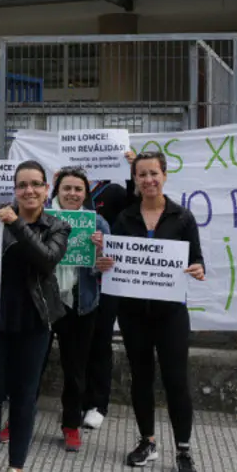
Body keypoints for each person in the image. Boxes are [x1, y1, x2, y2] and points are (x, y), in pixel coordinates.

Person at [107, 150, 205, 472]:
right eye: (142, 175)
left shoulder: (182, 217)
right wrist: (104, 263)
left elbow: (197, 259)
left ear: (165, 175)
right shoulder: (125, 218)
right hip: (134, 314)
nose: (148, 180)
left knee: (176, 381)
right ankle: (147, 441)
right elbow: (112, 260)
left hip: (171, 315)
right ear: (134, 180)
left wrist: (197, 269)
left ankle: (183, 450)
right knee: (141, 377)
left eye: (154, 173)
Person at [0, 160, 68, 472]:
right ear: (14, 189)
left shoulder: (57, 226)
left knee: (24, 398)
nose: (29, 191)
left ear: (45, 189)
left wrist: (17, 225)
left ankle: (15, 466)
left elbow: (46, 259)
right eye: (22, 185)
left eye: (35, 184)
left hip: (35, 322)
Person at [48, 167, 114, 452]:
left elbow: (109, 266)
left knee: (76, 369)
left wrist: (100, 256)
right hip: (46, 301)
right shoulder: (42, 218)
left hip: (81, 304)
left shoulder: (97, 222)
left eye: (78, 189)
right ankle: (16, 420)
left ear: (85, 193)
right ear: (57, 192)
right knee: (33, 367)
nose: (72, 194)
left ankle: (71, 424)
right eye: (67, 189)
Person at [81, 180, 131, 430]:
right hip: (75, 280)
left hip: (106, 280)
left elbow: (135, 214)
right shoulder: (66, 183)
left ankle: (97, 403)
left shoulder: (114, 191)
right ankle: (77, 400)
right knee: (76, 343)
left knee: (100, 341)